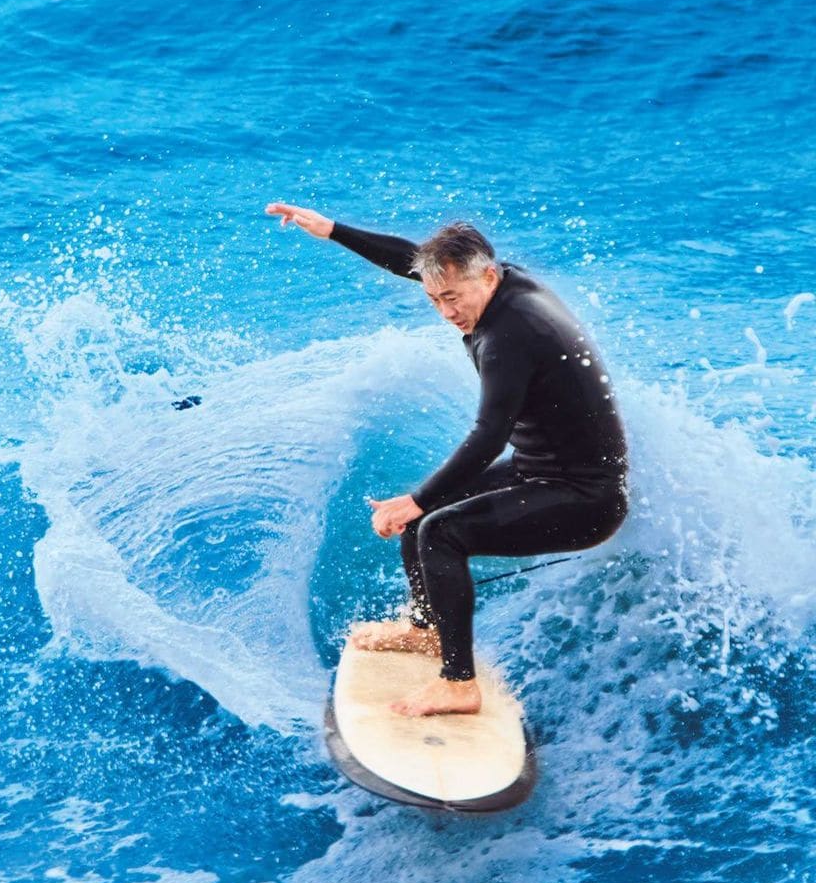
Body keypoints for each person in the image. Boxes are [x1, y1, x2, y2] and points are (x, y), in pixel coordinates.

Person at [264, 204, 629, 717]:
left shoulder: (510, 335)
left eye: (452, 298)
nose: (446, 312)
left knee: (437, 528)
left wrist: (416, 501)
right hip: (542, 470)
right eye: (434, 299)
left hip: (583, 498)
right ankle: (426, 629)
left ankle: (459, 684)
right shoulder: (499, 283)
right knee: (423, 522)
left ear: (486, 275)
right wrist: (333, 230)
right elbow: (411, 260)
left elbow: (488, 438)